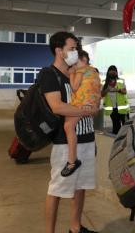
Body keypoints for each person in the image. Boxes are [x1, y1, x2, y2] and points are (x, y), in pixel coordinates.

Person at [42, 31, 98, 233]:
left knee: (81, 186)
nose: (75, 52)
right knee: (57, 189)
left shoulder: (77, 72)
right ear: (59, 51)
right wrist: (88, 110)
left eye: (76, 49)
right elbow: (57, 106)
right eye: (71, 49)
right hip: (64, 141)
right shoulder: (49, 75)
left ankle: (75, 227)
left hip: (86, 136)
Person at [62, 50, 101, 177]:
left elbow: (74, 87)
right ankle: (87, 149)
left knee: (68, 126)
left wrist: (72, 74)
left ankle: (72, 161)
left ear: (83, 60)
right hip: (91, 104)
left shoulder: (80, 70)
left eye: (75, 63)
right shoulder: (93, 71)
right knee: (72, 125)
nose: (73, 65)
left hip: (83, 104)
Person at [101, 65, 130, 134]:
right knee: (116, 128)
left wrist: (117, 90)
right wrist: (107, 89)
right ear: (108, 72)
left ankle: (127, 141)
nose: (113, 73)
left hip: (123, 108)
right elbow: (102, 94)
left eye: (114, 71)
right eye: (111, 71)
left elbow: (124, 92)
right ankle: (117, 142)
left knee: (126, 127)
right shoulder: (104, 82)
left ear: (116, 72)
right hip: (112, 109)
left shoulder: (121, 81)